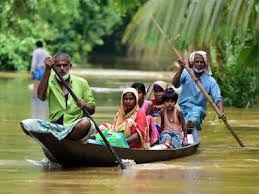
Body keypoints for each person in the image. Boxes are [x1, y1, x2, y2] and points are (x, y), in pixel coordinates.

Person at [21, 52, 96, 143]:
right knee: (26, 124)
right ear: (54, 67)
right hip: (55, 128)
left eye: (65, 65)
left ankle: (61, 141)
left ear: (70, 66)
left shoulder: (82, 82)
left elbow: (92, 110)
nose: (62, 69)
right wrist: (47, 70)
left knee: (86, 123)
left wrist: (84, 106)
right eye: (58, 65)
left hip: (74, 128)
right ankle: (61, 140)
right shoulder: (48, 80)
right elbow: (41, 97)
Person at [172, 50, 225, 130]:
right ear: (193, 63)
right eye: (197, 62)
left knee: (196, 114)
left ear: (205, 64)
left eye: (201, 62)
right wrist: (181, 68)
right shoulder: (186, 73)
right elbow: (175, 84)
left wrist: (221, 111)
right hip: (181, 107)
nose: (199, 64)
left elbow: (217, 98)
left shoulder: (211, 81)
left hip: (197, 109)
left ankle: (190, 125)